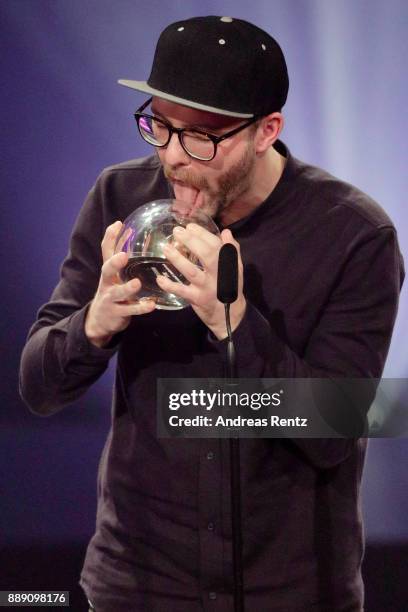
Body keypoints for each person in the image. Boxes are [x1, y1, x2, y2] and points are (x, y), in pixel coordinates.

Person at [19, 15, 404, 612]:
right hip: (138, 587)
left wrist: (236, 325)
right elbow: (38, 387)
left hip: (293, 593)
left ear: (266, 130)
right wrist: (94, 323)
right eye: (161, 126)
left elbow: (338, 433)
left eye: (201, 136)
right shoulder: (118, 199)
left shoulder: (356, 235)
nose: (174, 158)